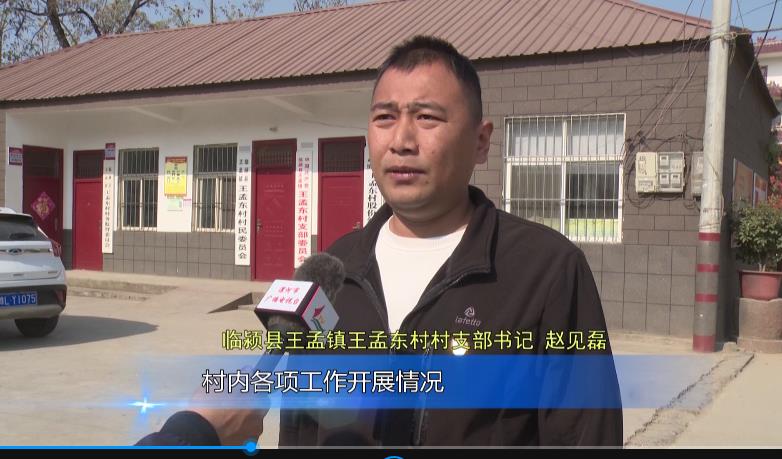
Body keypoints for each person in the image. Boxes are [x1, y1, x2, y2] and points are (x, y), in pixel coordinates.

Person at [138, 34, 623, 447]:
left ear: (480, 141)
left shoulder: (546, 271)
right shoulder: (334, 270)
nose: (401, 140)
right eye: (385, 117)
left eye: (427, 117)